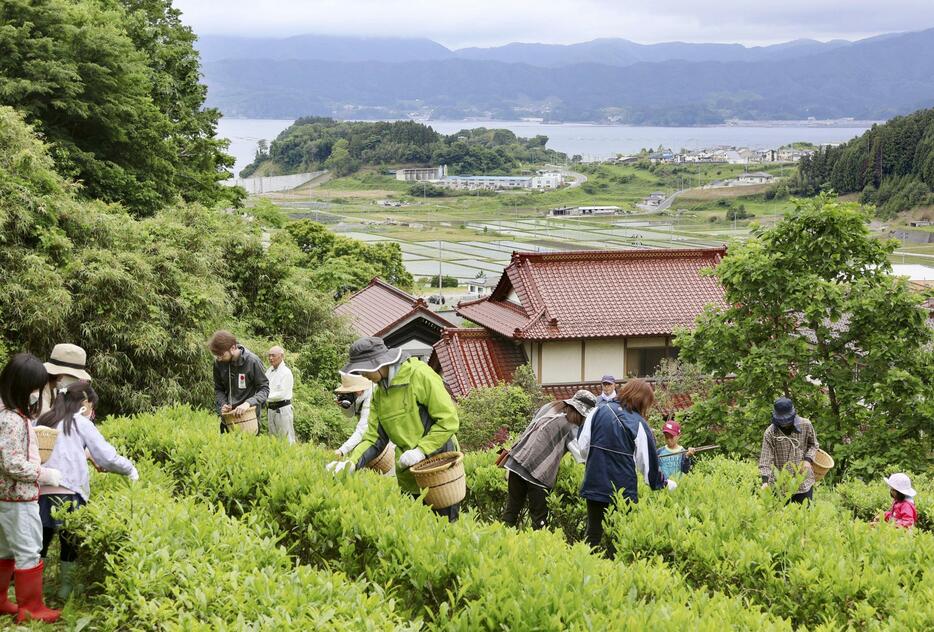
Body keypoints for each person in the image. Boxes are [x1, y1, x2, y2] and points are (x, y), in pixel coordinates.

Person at [326, 337, 461, 521]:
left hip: (438, 468)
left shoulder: (419, 375)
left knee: (445, 529)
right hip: (408, 472)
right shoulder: (379, 393)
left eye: (364, 369)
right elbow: (374, 438)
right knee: (415, 533)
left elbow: (448, 420)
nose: (362, 375)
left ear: (378, 364)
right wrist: (351, 463)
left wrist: (421, 450)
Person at [36, 381, 138, 599]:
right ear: (85, 403)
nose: (92, 411)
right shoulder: (80, 422)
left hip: (41, 489)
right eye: (92, 405)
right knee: (69, 541)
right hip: (69, 491)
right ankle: (66, 590)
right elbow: (106, 456)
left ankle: (36, 590)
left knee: (41, 542)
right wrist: (129, 469)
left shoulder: (45, 419)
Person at [578, 379, 672, 557]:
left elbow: (582, 446)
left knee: (593, 534)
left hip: (595, 482)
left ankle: (588, 576)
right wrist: (662, 483)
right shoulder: (639, 424)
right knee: (619, 537)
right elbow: (647, 466)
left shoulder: (598, 411)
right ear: (643, 401)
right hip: (623, 489)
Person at [0, 354, 62, 623]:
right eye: (35, 388)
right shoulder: (12, 420)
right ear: (24, 387)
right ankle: (31, 608)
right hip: (18, 499)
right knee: (28, 549)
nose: (37, 393)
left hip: (6, 498)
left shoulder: (7, 414)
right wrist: (44, 474)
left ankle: (2, 600)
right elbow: (12, 463)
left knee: (4, 551)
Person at [502, 390, 596, 530]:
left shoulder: (549, 407)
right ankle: (537, 550)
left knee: (511, 511)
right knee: (539, 521)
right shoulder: (571, 426)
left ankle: (502, 545)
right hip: (538, 474)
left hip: (516, 462)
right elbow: (582, 455)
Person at [758, 397, 819, 504]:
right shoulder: (770, 433)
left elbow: (814, 445)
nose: (784, 423)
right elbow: (765, 459)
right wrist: (765, 481)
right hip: (781, 483)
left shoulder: (806, 425)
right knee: (783, 517)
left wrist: (807, 460)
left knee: (804, 516)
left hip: (803, 480)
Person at [209, 331, 269, 434]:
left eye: (221, 354)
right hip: (228, 419)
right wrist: (223, 404)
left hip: (249, 419)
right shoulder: (218, 363)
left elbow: (264, 389)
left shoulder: (252, 361)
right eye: (216, 355)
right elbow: (219, 389)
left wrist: (248, 403)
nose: (218, 358)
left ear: (232, 348)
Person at [39, 344, 92, 416]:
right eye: (73, 377)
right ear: (61, 375)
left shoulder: (53, 389)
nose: (76, 381)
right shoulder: (39, 396)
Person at [265, 346, 295, 443]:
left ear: (281, 356)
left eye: (273, 355)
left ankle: (291, 457)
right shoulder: (269, 371)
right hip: (270, 408)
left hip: (283, 409)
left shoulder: (286, 372)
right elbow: (264, 386)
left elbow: (282, 394)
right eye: (269, 356)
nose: (270, 358)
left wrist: (264, 397)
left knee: (286, 438)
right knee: (273, 438)